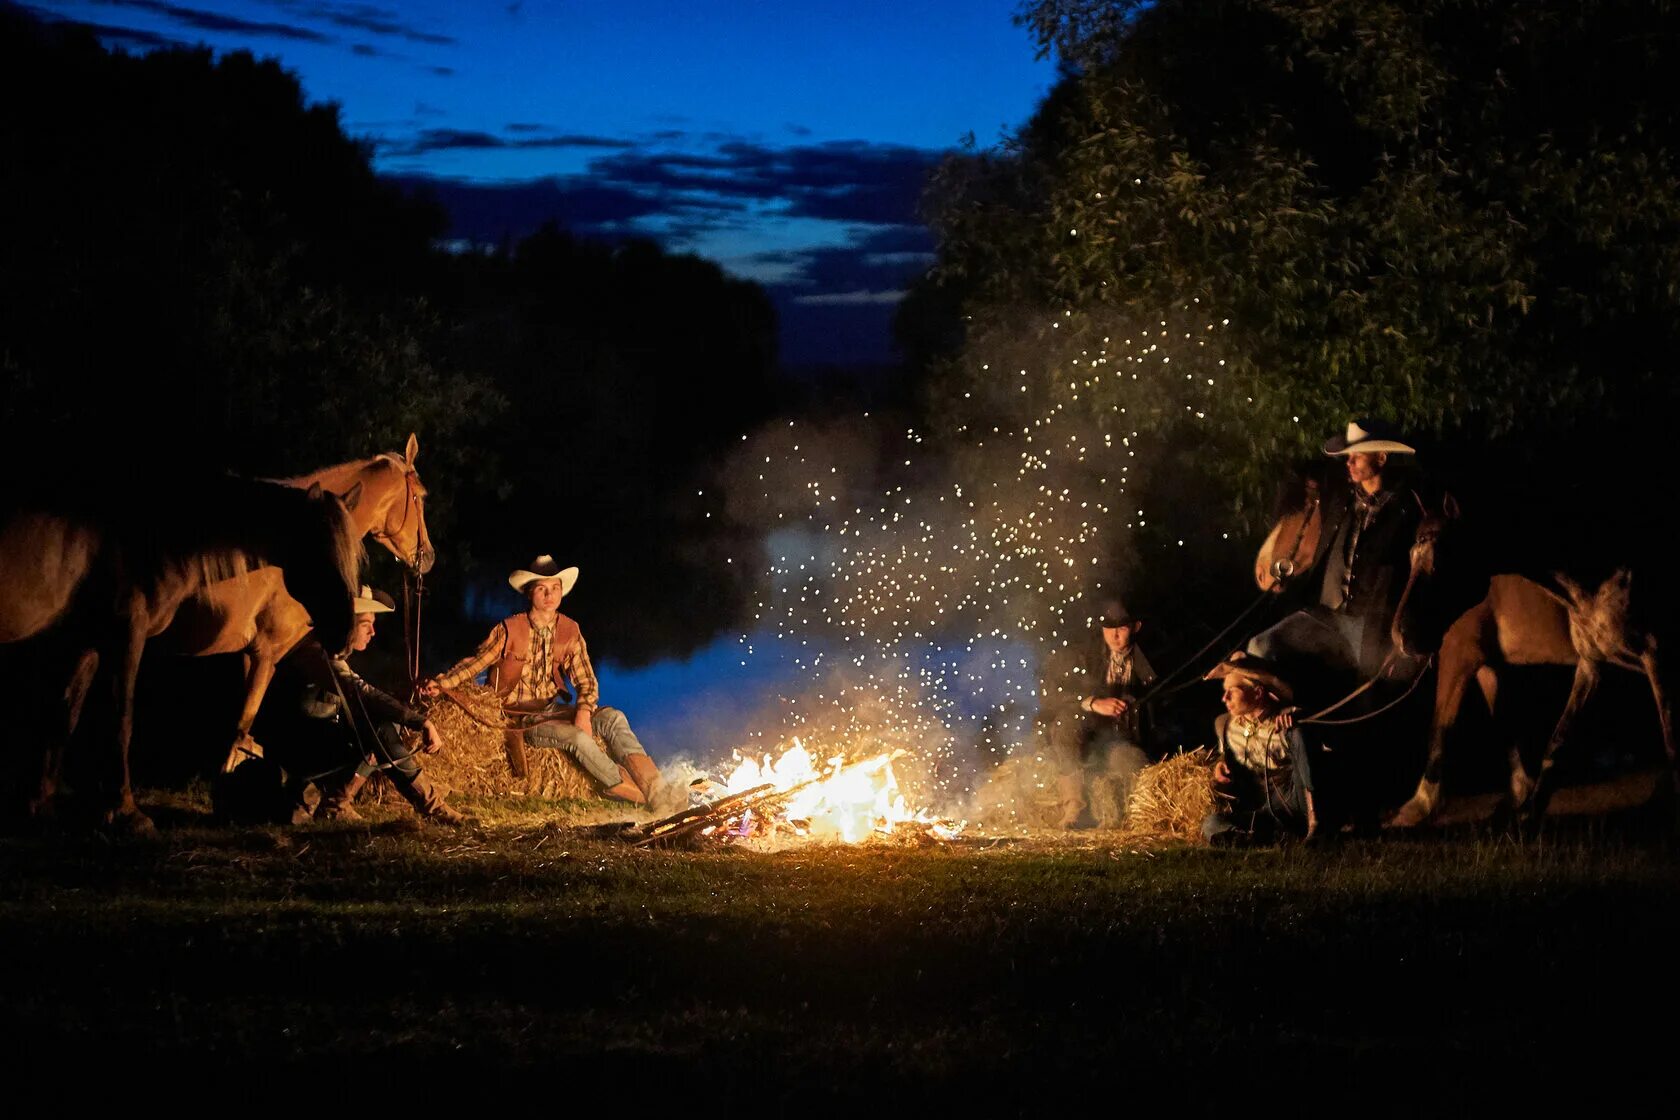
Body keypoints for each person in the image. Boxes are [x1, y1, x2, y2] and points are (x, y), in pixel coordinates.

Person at [420, 555, 665, 807]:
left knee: (613, 718)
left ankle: (657, 790)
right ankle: (631, 794)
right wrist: (445, 683)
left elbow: (586, 679)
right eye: (542, 589)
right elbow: (476, 662)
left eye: (555, 588)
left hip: (551, 709)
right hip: (519, 717)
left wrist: (583, 710)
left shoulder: (570, 630)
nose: (550, 595)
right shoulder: (509, 629)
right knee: (577, 738)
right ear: (529, 593)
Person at [1247, 418, 1424, 708]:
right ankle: (1279, 720)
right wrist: (1289, 573)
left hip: (1373, 625)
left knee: (1366, 698)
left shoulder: (1405, 509)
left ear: (1381, 457)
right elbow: (1311, 533)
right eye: (1347, 457)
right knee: (1261, 646)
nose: (1349, 462)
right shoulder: (1339, 499)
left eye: (1357, 456)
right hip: (1329, 616)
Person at [264, 586, 464, 825]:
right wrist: (421, 721)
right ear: (347, 625)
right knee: (379, 728)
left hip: (311, 741)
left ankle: (336, 804)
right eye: (365, 624)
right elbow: (362, 693)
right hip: (292, 747)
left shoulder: (330, 651)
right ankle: (432, 808)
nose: (373, 632)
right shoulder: (315, 654)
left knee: (385, 726)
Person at [1043, 599, 1157, 829]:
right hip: (1088, 735)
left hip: (1124, 738)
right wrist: (1093, 702)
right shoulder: (1085, 656)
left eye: (1122, 629)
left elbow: (1163, 708)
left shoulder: (1152, 659)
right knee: (1066, 724)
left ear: (1136, 628)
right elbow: (1053, 694)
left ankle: (1122, 817)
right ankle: (1074, 805)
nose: (1115, 636)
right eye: (1109, 629)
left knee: (1128, 763)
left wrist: (1135, 706)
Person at [1201, 651, 1317, 846]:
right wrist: (1220, 764)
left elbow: (1309, 738)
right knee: (1211, 823)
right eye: (1224, 691)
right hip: (1267, 808)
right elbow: (1225, 756)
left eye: (1233, 690)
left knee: (1298, 734)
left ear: (1257, 693)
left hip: (1295, 800)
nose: (1225, 698)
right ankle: (1245, 839)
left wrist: (1297, 724)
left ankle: (1314, 823)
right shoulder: (1227, 727)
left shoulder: (1284, 720)